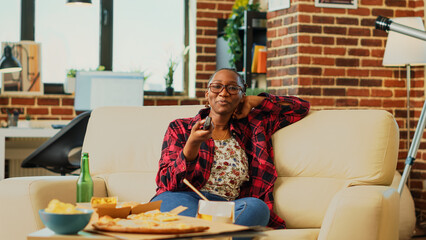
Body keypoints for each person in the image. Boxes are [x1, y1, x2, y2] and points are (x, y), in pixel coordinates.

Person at [151, 68, 310, 228]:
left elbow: (300, 107)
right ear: (207, 94)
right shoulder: (180, 127)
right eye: (216, 86)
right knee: (166, 201)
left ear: (242, 96)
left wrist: (255, 101)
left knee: (257, 208)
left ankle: (201, 234)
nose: (224, 93)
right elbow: (168, 182)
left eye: (233, 88)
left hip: (229, 207)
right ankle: (215, 234)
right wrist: (192, 143)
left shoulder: (254, 127)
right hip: (187, 199)